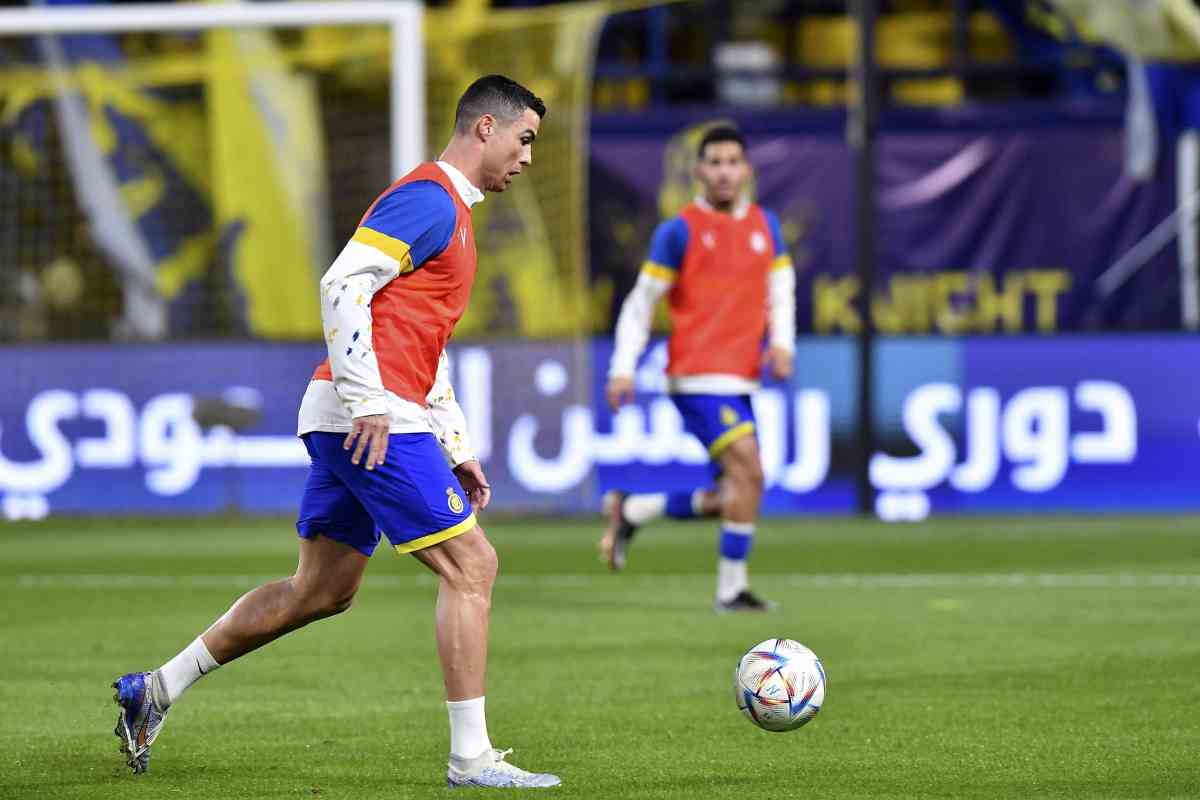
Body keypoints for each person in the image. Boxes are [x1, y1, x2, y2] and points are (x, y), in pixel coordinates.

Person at [111, 75, 560, 789]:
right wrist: (370, 401)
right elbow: (340, 284)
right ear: (484, 128)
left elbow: (423, 341)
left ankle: (155, 689)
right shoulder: (427, 199)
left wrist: (456, 447)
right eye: (525, 139)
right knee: (473, 567)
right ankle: (471, 759)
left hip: (363, 414)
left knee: (320, 591)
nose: (529, 157)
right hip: (368, 418)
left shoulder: (457, 216)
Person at [600, 124, 796, 613]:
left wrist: (783, 344)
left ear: (747, 170)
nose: (725, 172)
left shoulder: (766, 227)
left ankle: (634, 508)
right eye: (715, 162)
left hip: (743, 375)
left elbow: (782, 289)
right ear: (699, 171)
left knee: (736, 490)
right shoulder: (678, 231)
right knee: (750, 470)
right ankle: (731, 590)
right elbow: (641, 304)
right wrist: (623, 368)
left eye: (733, 162)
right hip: (697, 375)